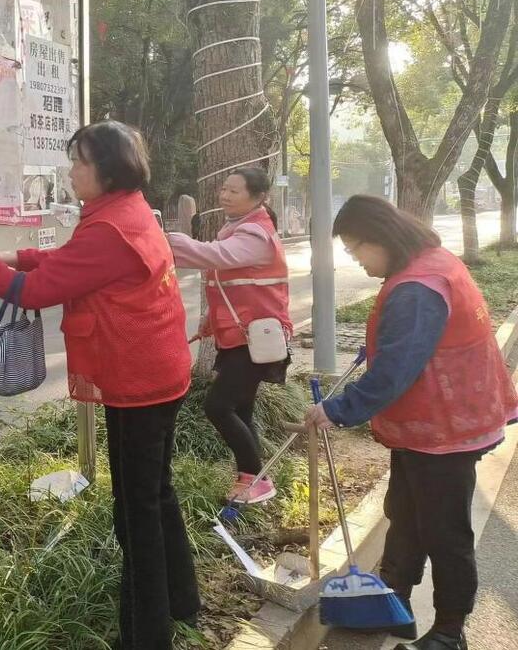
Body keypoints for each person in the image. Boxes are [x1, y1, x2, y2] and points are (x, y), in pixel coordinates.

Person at [0, 120, 199, 650]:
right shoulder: (124, 212)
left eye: (80, 161)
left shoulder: (110, 227)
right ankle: (182, 602)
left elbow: (36, 292)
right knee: (154, 495)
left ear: (107, 168)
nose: (71, 170)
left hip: (138, 380)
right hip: (157, 373)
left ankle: (147, 637)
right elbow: (72, 265)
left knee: (136, 510)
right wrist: (7, 256)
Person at [305, 195, 518, 650]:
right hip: (438, 419)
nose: (356, 260)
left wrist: (337, 408)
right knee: (405, 515)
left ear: (381, 238)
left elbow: (395, 370)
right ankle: (393, 606)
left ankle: (448, 632)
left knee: (445, 530)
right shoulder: (428, 262)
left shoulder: (418, 286)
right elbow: (406, 347)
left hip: (445, 426)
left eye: (355, 249)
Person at [166, 167, 292, 505]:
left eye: (234, 191)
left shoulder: (254, 234)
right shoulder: (235, 227)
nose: (224, 195)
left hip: (254, 341)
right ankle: (256, 479)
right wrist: (211, 318)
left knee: (218, 407)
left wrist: (166, 241)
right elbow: (229, 283)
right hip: (241, 337)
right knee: (242, 409)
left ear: (258, 197)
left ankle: (256, 480)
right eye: (224, 188)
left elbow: (214, 257)